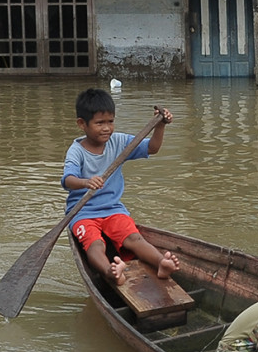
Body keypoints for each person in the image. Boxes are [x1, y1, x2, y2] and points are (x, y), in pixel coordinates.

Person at [62, 88, 179, 286]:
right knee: (95, 245)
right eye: (100, 123)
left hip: (113, 209)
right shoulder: (77, 151)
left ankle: (161, 263)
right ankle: (111, 271)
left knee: (134, 238)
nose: (107, 128)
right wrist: (85, 182)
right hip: (83, 213)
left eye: (110, 122)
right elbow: (67, 180)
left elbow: (152, 148)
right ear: (82, 124)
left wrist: (160, 125)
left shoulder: (118, 142)